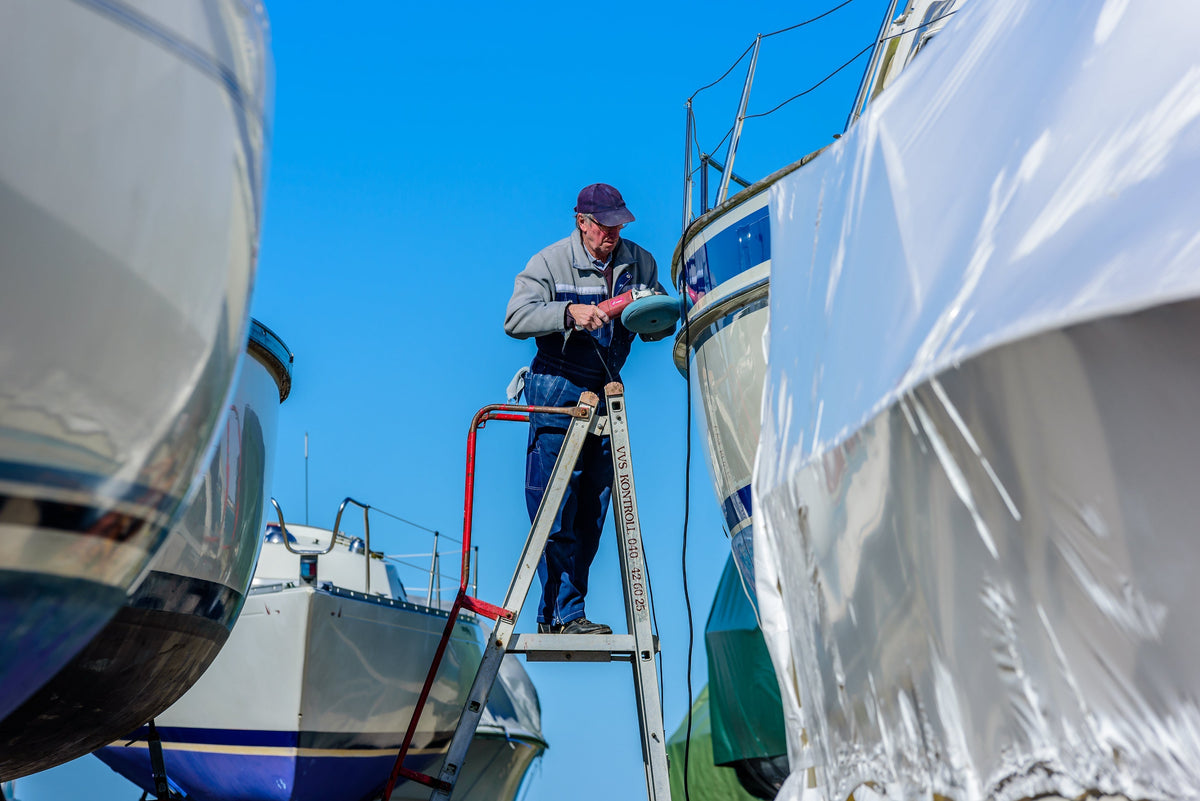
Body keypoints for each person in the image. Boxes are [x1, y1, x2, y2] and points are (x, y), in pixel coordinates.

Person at [504, 183, 672, 635]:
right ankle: (564, 613)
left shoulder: (641, 263)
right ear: (582, 222)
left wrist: (655, 317)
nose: (613, 234)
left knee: (592, 510)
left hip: (604, 386)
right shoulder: (549, 262)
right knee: (556, 504)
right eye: (604, 225)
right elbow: (515, 319)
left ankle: (561, 612)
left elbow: (656, 314)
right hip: (557, 385)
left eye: (619, 224)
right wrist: (568, 313)